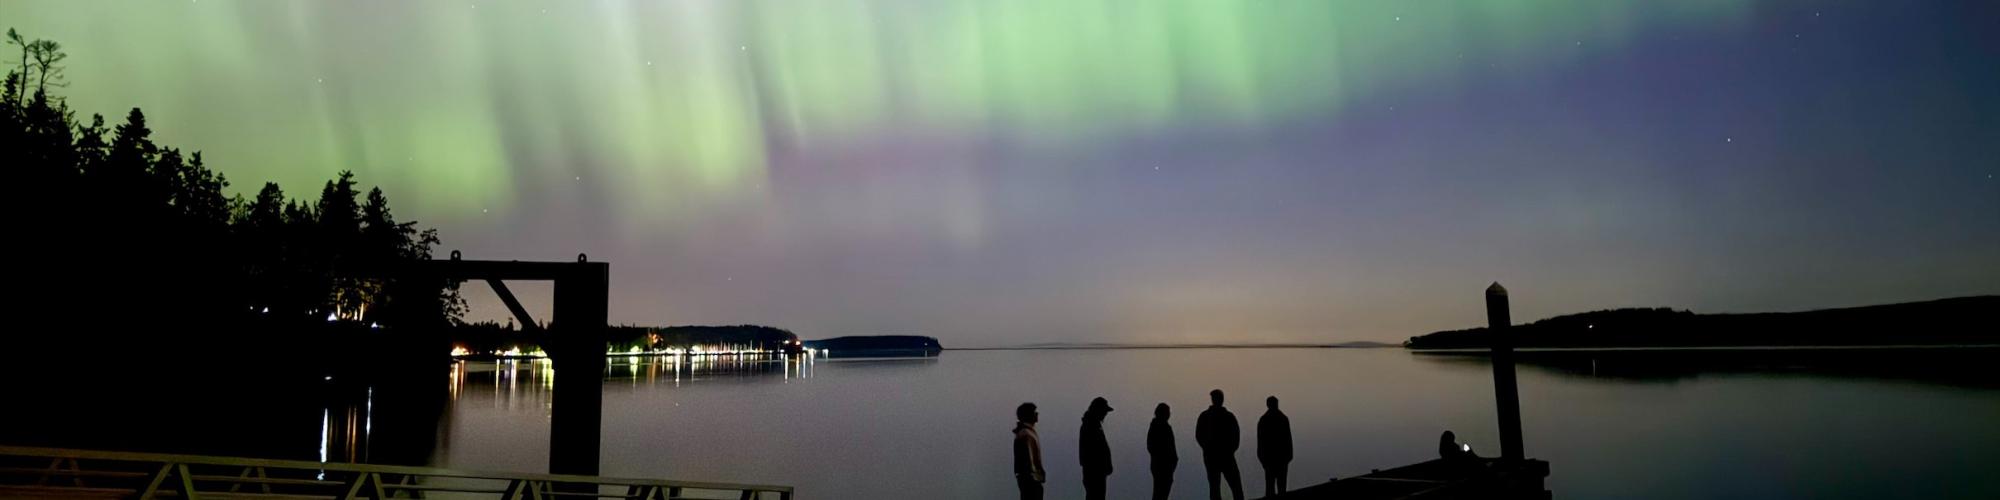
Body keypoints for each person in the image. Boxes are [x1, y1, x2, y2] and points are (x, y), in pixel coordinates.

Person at [1195, 389, 1245, 500]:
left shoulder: (1206, 416)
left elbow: (1199, 436)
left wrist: (1208, 449)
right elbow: (1199, 436)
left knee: (1218, 487)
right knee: (1230, 486)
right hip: (1222, 456)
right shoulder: (1227, 417)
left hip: (1216, 456)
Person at [1257, 396, 1293, 496]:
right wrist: (1289, 456)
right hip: (1279, 459)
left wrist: (1262, 459)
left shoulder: (1264, 420)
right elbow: (1288, 440)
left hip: (1271, 460)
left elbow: (1260, 443)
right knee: (1280, 487)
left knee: (1270, 487)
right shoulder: (1282, 419)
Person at [1080, 397, 1115, 500]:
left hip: (1096, 472)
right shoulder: (1091, 426)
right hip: (1095, 473)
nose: (1105, 414)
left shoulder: (1093, 425)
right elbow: (1093, 452)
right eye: (1104, 411)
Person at [1014, 403, 1046, 500]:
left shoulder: (1027, 432)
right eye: (1034, 412)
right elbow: (1028, 460)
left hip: (1030, 480)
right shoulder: (1026, 434)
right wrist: (1035, 477)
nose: (1037, 414)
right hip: (1031, 480)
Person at [1148, 403, 1178, 500]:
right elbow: (1152, 447)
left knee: (1161, 492)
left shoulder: (1161, 427)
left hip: (1165, 466)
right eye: (1167, 412)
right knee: (1160, 493)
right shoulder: (1158, 427)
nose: (1169, 414)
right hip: (1162, 466)